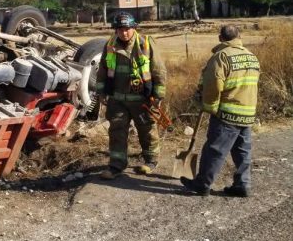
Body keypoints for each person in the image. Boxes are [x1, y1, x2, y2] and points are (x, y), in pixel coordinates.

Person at [181, 25, 259, 197]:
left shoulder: (221, 57)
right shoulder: (252, 56)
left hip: (227, 114)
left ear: (220, 38)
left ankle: (202, 184)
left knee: (215, 150)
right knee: (242, 151)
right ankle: (242, 185)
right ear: (239, 36)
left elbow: (213, 86)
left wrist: (210, 108)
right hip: (248, 113)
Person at [96, 12, 167, 179]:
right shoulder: (110, 45)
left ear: (134, 28)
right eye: (120, 29)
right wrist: (101, 92)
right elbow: (103, 71)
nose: (123, 32)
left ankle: (151, 161)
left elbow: (159, 71)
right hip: (118, 100)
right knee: (117, 132)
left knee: (147, 130)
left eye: (127, 29)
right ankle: (116, 165)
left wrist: (158, 96)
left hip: (142, 99)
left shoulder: (146, 44)